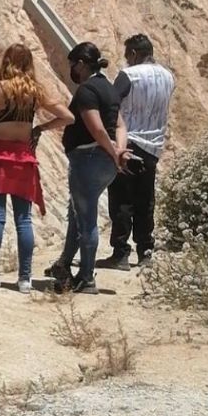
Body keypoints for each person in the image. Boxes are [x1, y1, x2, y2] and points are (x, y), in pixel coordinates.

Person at [0, 44, 75, 294]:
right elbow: (68, 116)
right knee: (24, 219)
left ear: (6, 61)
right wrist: (39, 129)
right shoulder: (34, 91)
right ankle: (25, 279)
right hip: (24, 159)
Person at [46, 42, 129, 293]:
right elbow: (120, 126)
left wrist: (114, 151)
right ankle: (64, 264)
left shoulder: (86, 91)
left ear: (81, 64)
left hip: (88, 161)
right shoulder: (110, 89)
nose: (72, 69)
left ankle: (86, 278)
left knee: (86, 219)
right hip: (104, 163)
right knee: (77, 214)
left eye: (73, 64)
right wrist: (119, 150)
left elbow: (97, 129)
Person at [96, 34, 175, 270]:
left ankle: (120, 253)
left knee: (121, 201)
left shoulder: (129, 75)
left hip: (128, 143)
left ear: (133, 54)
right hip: (154, 146)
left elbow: (111, 102)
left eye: (126, 55)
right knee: (145, 200)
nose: (125, 60)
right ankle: (145, 251)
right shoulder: (168, 77)